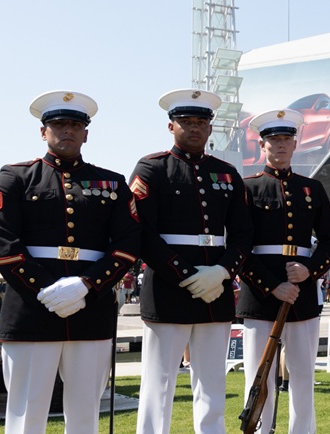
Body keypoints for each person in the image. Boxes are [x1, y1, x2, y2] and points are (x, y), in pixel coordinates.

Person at [0, 90, 140, 434]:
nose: (67, 130)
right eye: (58, 124)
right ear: (43, 132)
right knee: (26, 412)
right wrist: (46, 290)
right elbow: (2, 245)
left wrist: (86, 285)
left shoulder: (112, 184)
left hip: (91, 308)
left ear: (86, 133)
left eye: (75, 124)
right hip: (31, 308)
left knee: (86, 414)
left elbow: (129, 244)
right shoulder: (14, 178)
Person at [131, 89, 253, 434]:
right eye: (186, 122)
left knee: (213, 382)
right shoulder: (152, 168)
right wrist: (185, 275)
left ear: (211, 128)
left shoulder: (227, 174)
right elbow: (142, 232)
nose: (194, 128)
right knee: (159, 382)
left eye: (201, 122)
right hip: (168, 288)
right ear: (171, 126)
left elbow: (243, 234)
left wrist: (222, 272)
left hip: (216, 289)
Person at [236, 109, 330, 431]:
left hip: (303, 292)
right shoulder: (248, 188)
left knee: (302, 373)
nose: (280, 146)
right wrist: (271, 285)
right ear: (262, 144)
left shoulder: (312, 189)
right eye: (273, 140)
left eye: (285, 140)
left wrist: (310, 270)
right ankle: (258, 428)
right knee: (258, 371)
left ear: (295, 145)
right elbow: (239, 248)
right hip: (260, 292)